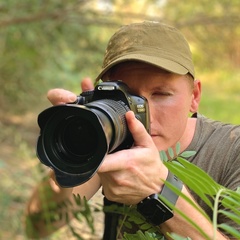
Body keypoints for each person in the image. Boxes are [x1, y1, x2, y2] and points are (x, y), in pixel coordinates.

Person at [25, 21, 240, 239]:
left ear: (194, 97)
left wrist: (160, 191)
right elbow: (39, 226)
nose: (143, 114)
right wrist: (69, 156)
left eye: (161, 94)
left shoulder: (232, 150)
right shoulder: (113, 138)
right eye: (127, 98)